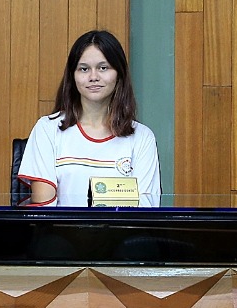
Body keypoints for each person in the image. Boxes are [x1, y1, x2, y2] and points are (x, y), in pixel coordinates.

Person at [19, 30, 161, 206]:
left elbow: (145, 207)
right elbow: (44, 207)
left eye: (103, 68)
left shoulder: (142, 137)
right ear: (73, 75)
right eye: (84, 69)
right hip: (60, 231)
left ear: (119, 74)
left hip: (122, 232)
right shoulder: (47, 129)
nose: (93, 77)